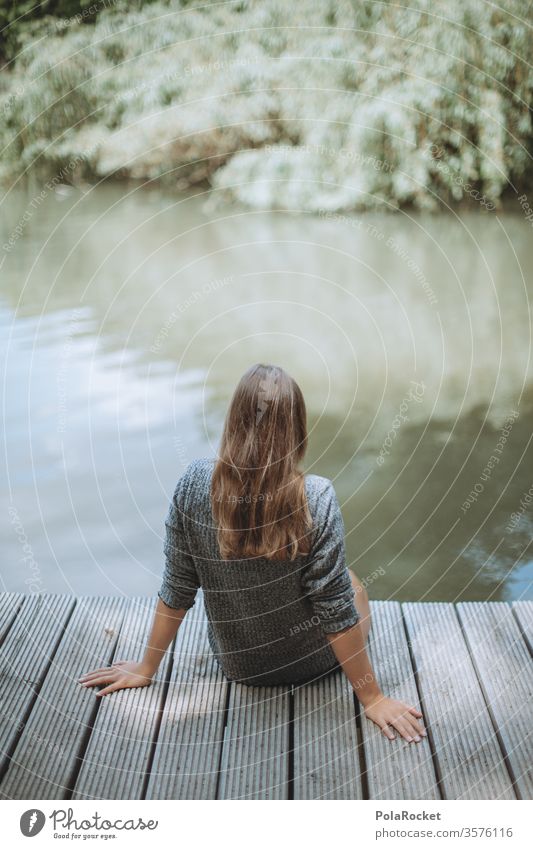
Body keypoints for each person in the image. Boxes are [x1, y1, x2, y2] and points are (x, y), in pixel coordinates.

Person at [79, 363, 426, 744]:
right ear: (296, 427)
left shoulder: (194, 483)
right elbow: (336, 609)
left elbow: (177, 586)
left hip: (238, 665)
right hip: (311, 664)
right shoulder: (317, 497)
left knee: (337, 581)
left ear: (234, 421)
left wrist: (147, 667)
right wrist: (372, 698)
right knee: (351, 583)